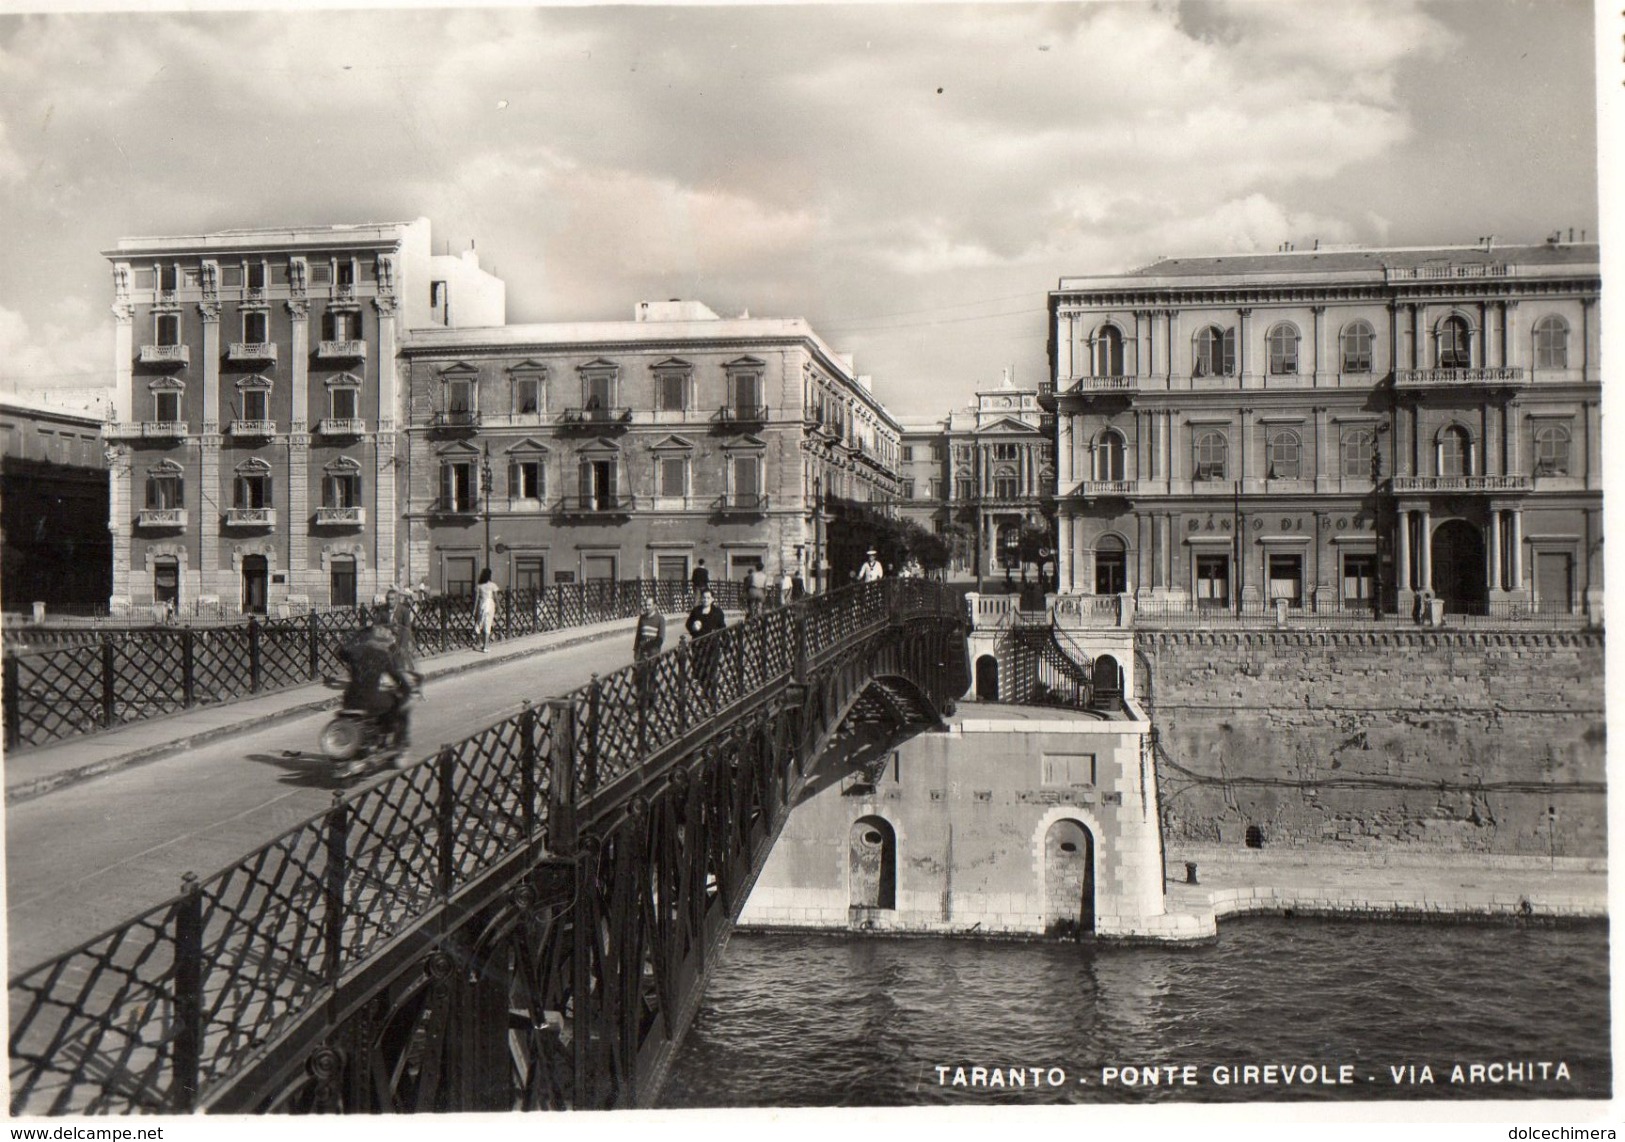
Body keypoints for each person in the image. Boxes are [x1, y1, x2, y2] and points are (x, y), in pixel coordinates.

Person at [338, 607, 414, 765]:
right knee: (398, 705)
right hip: (370, 700)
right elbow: (397, 678)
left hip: (349, 699)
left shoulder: (355, 652)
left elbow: (341, 652)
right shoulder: (383, 656)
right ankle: (398, 746)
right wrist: (406, 689)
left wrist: (356, 639)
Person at [685, 587, 726, 689]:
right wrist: (693, 627)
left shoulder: (717, 612)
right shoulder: (696, 611)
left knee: (710, 668)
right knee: (699, 668)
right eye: (703, 597)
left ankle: (709, 691)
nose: (705, 600)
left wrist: (726, 643)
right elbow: (688, 624)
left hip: (712, 645)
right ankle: (702, 688)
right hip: (698, 645)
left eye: (708, 598)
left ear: (712, 599)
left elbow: (722, 628)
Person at [473, 568, 499, 652]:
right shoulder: (492, 585)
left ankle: (480, 642)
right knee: (488, 623)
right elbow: (496, 597)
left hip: (482, 604)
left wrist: (474, 609)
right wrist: (499, 606)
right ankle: (486, 646)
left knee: (479, 623)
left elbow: (476, 599)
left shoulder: (479, 586)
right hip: (490, 604)